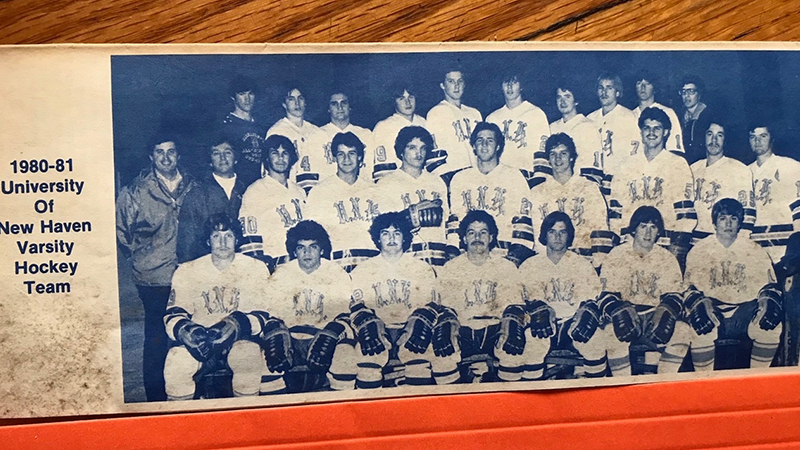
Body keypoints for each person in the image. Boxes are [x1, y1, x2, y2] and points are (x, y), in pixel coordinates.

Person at [163, 214, 285, 399]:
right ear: (208, 240)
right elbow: (173, 314)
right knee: (175, 363)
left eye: (228, 236)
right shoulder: (187, 270)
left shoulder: (255, 268)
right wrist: (185, 330)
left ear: (237, 239)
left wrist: (239, 324)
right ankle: (183, 421)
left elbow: (264, 314)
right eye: (216, 236)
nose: (222, 242)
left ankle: (246, 419)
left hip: (240, 340)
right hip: (202, 342)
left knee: (248, 358)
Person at [116, 133, 198, 402]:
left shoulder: (192, 185)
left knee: (188, 330)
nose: (166, 157)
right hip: (154, 278)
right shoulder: (135, 190)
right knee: (157, 336)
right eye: (159, 152)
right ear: (151, 156)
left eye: (171, 151)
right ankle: (155, 397)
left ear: (178, 155)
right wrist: (142, 259)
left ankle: (188, 391)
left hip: (188, 273)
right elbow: (121, 231)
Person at [349, 212, 460, 386]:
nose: (391, 238)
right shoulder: (363, 270)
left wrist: (420, 321)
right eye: (385, 233)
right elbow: (355, 305)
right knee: (368, 363)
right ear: (377, 238)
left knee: (423, 358)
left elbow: (433, 304)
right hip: (378, 332)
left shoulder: (421, 268)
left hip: (412, 330)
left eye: (397, 233)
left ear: (405, 237)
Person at [684, 198, 782, 370]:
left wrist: (767, 301)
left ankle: (756, 379)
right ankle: (704, 382)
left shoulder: (754, 250)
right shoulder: (700, 250)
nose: (728, 223)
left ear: (740, 222)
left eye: (733, 218)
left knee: (770, 329)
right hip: (712, 308)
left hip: (744, 310)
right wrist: (698, 303)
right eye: (722, 218)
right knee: (700, 331)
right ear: (714, 222)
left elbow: (770, 286)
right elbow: (687, 287)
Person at [262, 220, 358, 391]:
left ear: (322, 250)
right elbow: (273, 315)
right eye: (301, 247)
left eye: (313, 247)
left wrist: (332, 332)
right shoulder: (282, 274)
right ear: (294, 251)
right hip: (290, 340)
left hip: (324, 338)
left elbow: (344, 316)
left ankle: (342, 408)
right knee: (265, 361)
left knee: (346, 356)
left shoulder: (336, 273)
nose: (307, 253)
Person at [514, 212, 607, 379]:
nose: (557, 237)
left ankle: (596, 392)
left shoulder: (582, 264)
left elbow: (592, 299)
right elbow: (520, 300)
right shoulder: (530, 265)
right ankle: (532, 394)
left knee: (596, 339)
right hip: (541, 325)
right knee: (531, 340)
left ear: (569, 235)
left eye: (562, 232)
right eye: (552, 231)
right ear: (544, 235)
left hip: (573, 324)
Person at [599, 206, 687, 375]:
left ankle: (662, 382)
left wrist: (666, 309)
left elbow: (675, 294)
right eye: (643, 227)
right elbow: (606, 295)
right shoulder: (617, 255)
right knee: (611, 332)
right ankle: (622, 384)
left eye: (653, 228)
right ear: (634, 229)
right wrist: (617, 309)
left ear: (658, 231)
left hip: (653, 315)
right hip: (626, 314)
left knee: (683, 330)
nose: (648, 233)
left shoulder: (666, 257)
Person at [437, 211, 522, 382]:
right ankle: (452, 403)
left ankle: (508, 401)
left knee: (513, 350)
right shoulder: (451, 268)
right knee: (441, 354)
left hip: (495, 328)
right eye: (471, 233)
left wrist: (509, 326)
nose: (477, 237)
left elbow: (513, 306)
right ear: (464, 238)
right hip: (463, 330)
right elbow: (446, 308)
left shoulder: (506, 267)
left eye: (483, 232)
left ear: (491, 237)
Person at [608, 107, 696, 265]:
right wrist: (621, 243)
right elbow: (616, 212)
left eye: (657, 128)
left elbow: (685, 216)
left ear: (666, 132)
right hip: (631, 244)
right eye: (646, 128)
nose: (651, 132)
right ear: (640, 132)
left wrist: (675, 252)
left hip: (664, 245)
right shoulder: (626, 165)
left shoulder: (677, 164)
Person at [447, 122, 535, 265]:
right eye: (479, 140)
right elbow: (454, 221)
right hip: (469, 257)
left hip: (504, 256)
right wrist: (455, 255)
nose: (484, 145)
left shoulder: (514, 177)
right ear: (474, 146)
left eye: (490, 140)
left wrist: (514, 258)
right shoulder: (459, 179)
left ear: (498, 146)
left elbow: (524, 221)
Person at [305, 132, 383, 272]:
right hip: (336, 265)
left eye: (352, 153)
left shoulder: (375, 190)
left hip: (371, 264)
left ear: (360, 157)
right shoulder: (319, 192)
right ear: (334, 157)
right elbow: (313, 237)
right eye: (341, 154)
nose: (346, 159)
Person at [530, 133, 610, 267]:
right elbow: (537, 237)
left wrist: (597, 266)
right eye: (553, 154)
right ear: (548, 159)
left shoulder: (589, 188)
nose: (558, 159)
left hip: (584, 263)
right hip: (548, 264)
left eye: (563, 153)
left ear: (572, 157)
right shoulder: (537, 192)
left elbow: (600, 230)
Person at [376, 126, 451, 266]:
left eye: (423, 148)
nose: (419, 153)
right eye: (412, 148)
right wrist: (412, 213)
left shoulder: (437, 181)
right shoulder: (386, 183)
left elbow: (446, 220)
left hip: (437, 253)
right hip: (406, 255)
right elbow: (384, 226)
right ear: (401, 151)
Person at [239, 134, 306, 270]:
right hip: (274, 264)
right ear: (266, 158)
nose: (280, 158)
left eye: (285, 153)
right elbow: (249, 238)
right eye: (275, 153)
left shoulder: (299, 191)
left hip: (301, 263)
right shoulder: (255, 191)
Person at [177, 136, 246, 263]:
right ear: (210, 160)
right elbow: (187, 239)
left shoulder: (248, 190)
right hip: (207, 265)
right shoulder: (197, 194)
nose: (223, 157)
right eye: (216, 153)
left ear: (236, 158)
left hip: (241, 264)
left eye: (228, 152)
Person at [689, 119, 755, 240]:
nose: (714, 140)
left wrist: (740, 243)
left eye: (719, 135)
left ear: (725, 140)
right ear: (703, 137)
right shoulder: (693, 169)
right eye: (710, 134)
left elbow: (748, 213)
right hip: (695, 241)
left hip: (724, 240)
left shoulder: (739, 169)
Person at [748, 123, 800, 261]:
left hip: (784, 247)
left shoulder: (789, 166)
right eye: (753, 137)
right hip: (754, 247)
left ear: (772, 139)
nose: (757, 141)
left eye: (763, 136)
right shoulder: (744, 171)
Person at [486, 74, 550, 182]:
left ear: (521, 86)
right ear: (501, 86)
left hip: (526, 177)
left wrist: (539, 180)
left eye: (514, 82)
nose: (510, 87)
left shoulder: (535, 113)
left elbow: (543, 149)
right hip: (499, 178)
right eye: (506, 83)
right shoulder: (492, 118)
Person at [266, 87, 327, 193]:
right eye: (291, 99)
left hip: (318, 191)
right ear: (284, 104)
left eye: (300, 98)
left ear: (305, 102)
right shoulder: (277, 131)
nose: (297, 103)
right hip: (290, 190)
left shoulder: (317, 131)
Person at [426, 68, 483, 177]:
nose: (456, 86)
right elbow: (433, 153)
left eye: (460, 81)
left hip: (477, 173)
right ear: (442, 85)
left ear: (464, 84)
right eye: (451, 81)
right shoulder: (436, 113)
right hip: (453, 174)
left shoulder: (474, 113)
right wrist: (446, 178)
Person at [586, 73, 641, 185]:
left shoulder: (629, 117)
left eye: (609, 88)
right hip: (594, 181)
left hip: (620, 180)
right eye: (601, 88)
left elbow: (635, 154)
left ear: (617, 92)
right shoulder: (589, 119)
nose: (604, 92)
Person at [549, 82, 603, 187]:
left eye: (567, 97)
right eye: (559, 97)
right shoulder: (552, 127)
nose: (562, 101)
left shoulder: (588, 127)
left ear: (576, 101)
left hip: (579, 187)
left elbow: (592, 168)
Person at [371, 85, 428, 180]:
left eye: (411, 97)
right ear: (394, 102)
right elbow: (382, 171)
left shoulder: (423, 122)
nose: (408, 102)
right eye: (402, 98)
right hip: (398, 182)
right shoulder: (384, 127)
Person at [220, 75, 265, 187]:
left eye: (251, 93)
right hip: (237, 186)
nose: (247, 99)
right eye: (242, 94)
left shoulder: (262, 126)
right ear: (233, 97)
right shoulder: (226, 126)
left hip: (260, 186)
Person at [319, 91, 374, 182]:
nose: (339, 107)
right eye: (334, 104)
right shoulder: (317, 135)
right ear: (328, 108)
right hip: (330, 191)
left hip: (363, 190)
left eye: (344, 103)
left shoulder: (366, 134)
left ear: (350, 106)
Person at [631, 71, 684, 153]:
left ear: (654, 87)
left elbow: (675, 149)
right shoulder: (630, 114)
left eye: (647, 83)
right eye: (639, 83)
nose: (643, 87)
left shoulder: (667, 112)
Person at [679, 76, 710, 164]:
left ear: (699, 94)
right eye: (683, 92)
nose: (686, 96)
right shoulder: (680, 116)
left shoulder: (707, 116)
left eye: (691, 91)